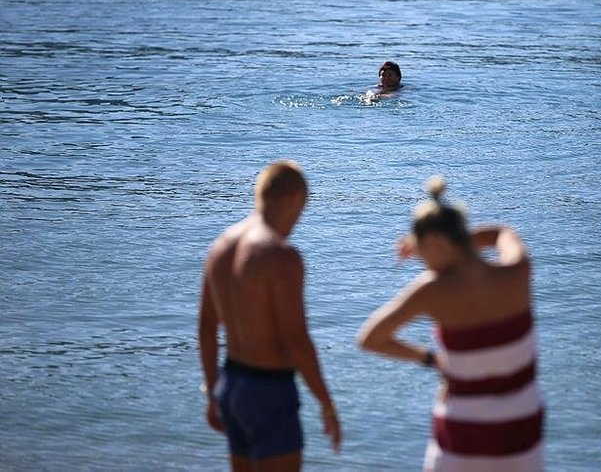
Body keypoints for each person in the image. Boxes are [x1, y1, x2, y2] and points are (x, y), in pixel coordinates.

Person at [358, 176, 544, 472]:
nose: (421, 260)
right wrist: (455, 244)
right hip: (521, 439)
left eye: (421, 250)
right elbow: (501, 233)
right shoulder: (518, 271)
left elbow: (369, 338)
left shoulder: (431, 290)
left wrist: (432, 359)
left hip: (463, 439)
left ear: (434, 243)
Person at [198, 160, 341, 472]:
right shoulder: (280, 255)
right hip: (268, 391)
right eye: (302, 208)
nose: (298, 220)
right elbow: (296, 340)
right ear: (291, 199)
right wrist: (326, 403)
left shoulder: (220, 247)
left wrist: (212, 392)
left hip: (231, 385)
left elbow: (207, 329)